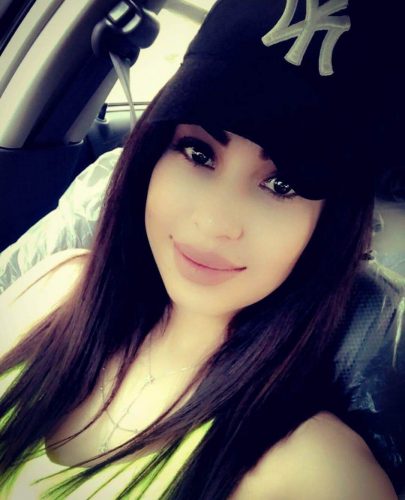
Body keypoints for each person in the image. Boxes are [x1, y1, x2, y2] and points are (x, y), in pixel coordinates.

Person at [0, 0, 404, 497]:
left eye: (282, 185)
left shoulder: (319, 475)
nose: (213, 223)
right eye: (198, 153)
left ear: (332, 226)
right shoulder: (52, 287)